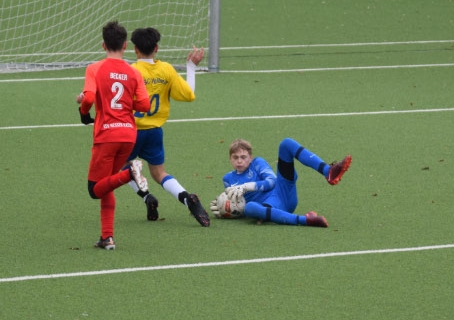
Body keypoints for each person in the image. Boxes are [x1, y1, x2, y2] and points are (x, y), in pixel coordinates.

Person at [76, 21, 151, 251]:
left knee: (94, 189)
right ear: (125, 45)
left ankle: (130, 173)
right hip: (128, 135)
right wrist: (127, 102)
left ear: (103, 45)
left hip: (107, 135)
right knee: (107, 184)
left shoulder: (95, 68)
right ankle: (107, 237)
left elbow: (89, 98)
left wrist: (83, 111)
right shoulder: (133, 71)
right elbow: (145, 105)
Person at [125, 27, 211, 227]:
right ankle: (186, 198)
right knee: (159, 173)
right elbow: (189, 95)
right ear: (156, 48)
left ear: (135, 49)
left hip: (131, 131)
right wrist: (191, 67)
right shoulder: (166, 69)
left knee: (121, 167)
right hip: (155, 132)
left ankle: (146, 197)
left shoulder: (131, 71)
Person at [211, 138, 352, 227]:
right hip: (269, 207)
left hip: (283, 192)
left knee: (286, 144)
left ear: (250, 158)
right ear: (230, 159)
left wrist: (247, 186)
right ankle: (306, 220)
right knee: (250, 208)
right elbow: (239, 205)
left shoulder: (257, 163)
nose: (239, 161)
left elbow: (272, 181)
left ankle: (328, 171)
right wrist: (225, 209)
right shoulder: (227, 179)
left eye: (243, 157)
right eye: (235, 157)